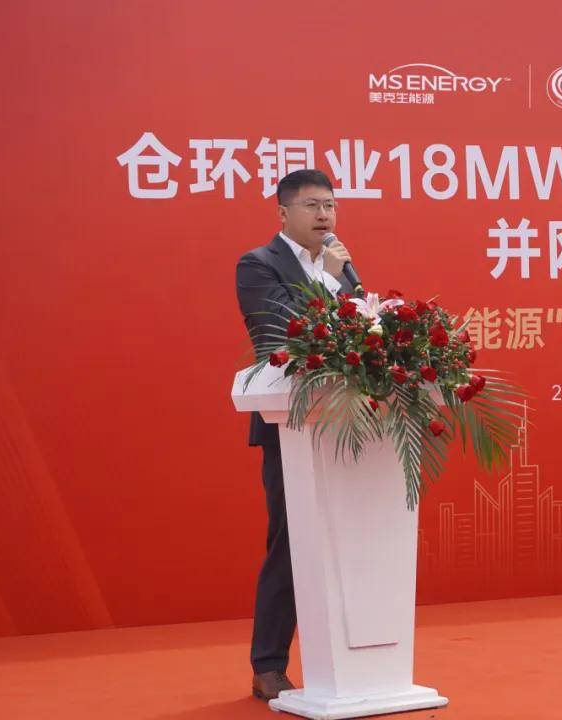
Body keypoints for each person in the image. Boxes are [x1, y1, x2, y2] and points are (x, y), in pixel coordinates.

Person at [234, 169, 354, 700]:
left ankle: (353, 658)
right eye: (312, 205)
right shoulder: (258, 265)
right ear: (283, 213)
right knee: (291, 541)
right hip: (292, 425)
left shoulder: (340, 268)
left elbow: (358, 334)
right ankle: (268, 663)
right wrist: (327, 279)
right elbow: (281, 335)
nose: (324, 215)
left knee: (342, 541)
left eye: (330, 204)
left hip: (346, 423)